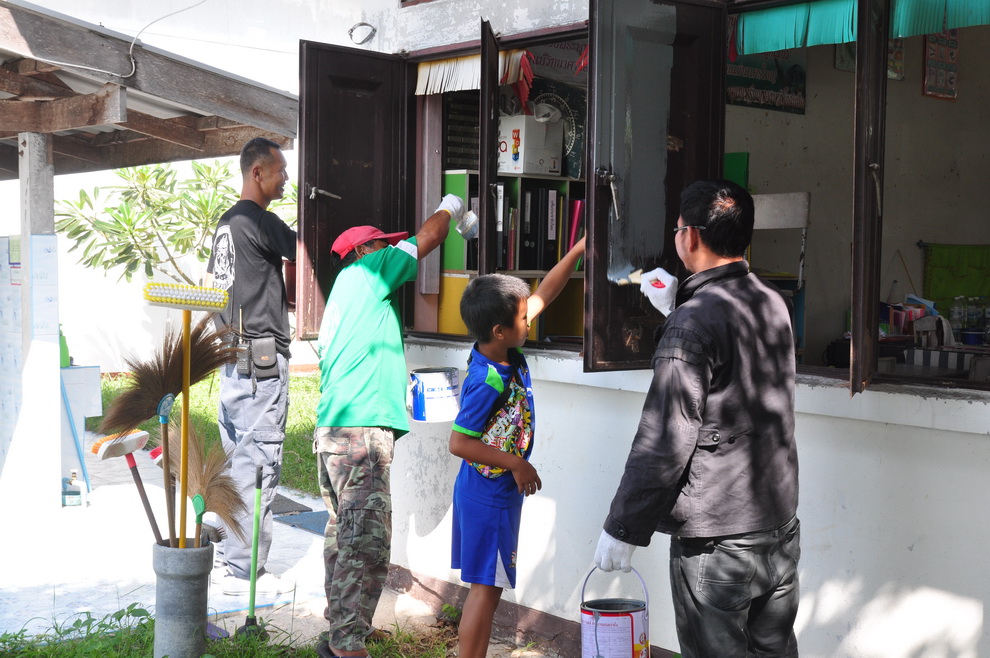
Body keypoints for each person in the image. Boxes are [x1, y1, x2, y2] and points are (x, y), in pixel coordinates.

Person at [593, 180, 800, 658]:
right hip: (777, 522)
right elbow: (733, 368)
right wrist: (681, 307)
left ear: (690, 236)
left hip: (718, 539)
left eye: (677, 229)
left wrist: (622, 527)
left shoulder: (692, 324)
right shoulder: (773, 300)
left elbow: (666, 438)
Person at [313, 195, 465, 658]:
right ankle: (347, 645)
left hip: (335, 432)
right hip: (360, 434)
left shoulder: (344, 300)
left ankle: (342, 629)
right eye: (382, 245)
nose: (389, 252)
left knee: (344, 535)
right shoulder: (366, 273)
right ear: (363, 252)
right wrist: (452, 205)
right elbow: (430, 236)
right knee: (366, 543)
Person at [448, 237, 586, 658]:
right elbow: (459, 442)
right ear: (499, 330)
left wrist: (578, 250)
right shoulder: (487, 379)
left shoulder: (504, 346)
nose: (531, 322)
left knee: (488, 587)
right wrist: (516, 463)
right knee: (486, 590)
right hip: (487, 494)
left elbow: (545, 293)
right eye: (524, 319)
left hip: (494, 492)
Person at [205, 136, 296, 596]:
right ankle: (244, 574)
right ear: (256, 173)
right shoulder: (259, 220)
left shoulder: (225, 224)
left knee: (238, 464)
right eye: (280, 171)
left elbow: (215, 288)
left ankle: (230, 559)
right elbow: (310, 254)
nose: (286, 179)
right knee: (258, 466)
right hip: (259, 365)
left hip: (233, 360)